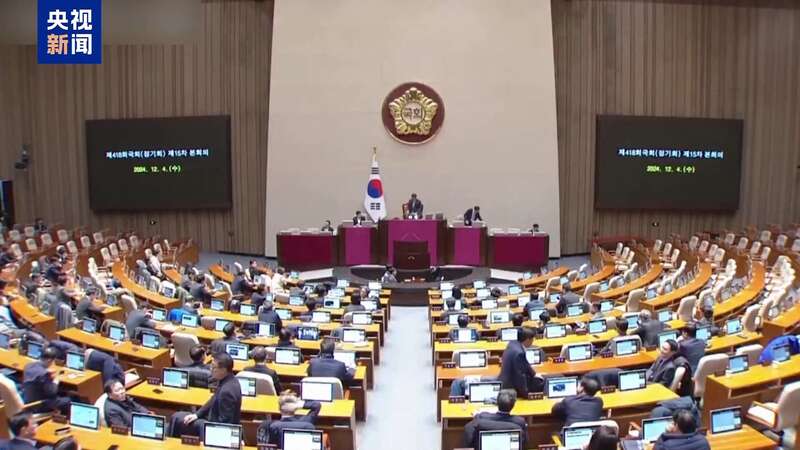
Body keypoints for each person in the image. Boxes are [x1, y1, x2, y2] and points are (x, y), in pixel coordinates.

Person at [170, 353, 242, 438]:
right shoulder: (229, 379)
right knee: (177, 416)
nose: (211, 369)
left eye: (214, 367)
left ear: (223, 370)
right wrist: (197, 415)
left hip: (214, 429)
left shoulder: (227, 391)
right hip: (211, 420)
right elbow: (214, 399)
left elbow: (225, 423)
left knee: (177, 419)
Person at [463, 389, 527, 449]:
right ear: (513, 405)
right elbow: (524, 443)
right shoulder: (520, 422)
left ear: (497, 402)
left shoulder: (482, 416)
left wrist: (476, 415)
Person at [22, 346, 71, 414]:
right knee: (68, 400)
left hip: (28, 400)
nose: (52, 364)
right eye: (53, 361)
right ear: (49, 360)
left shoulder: (28, 366)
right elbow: (52, 392)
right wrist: (56, 379)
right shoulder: (43, 374)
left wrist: (46, 371)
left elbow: (37, 376)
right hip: (38, 405)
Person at [498, 327, 543, 395]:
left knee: (539, 379)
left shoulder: (512, 343)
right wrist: (526, 394)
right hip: (511, 387)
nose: (533, 342)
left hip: (505, 380)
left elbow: (525, 364)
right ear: (528, 340)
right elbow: (520, 377)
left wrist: (534, 374)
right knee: (542, 383)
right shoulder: (519, 353)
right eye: (532, 339)